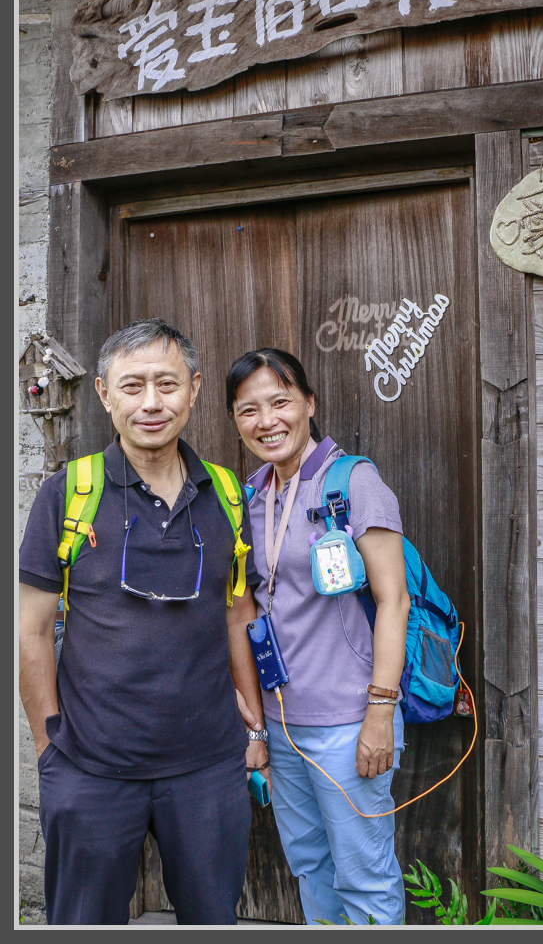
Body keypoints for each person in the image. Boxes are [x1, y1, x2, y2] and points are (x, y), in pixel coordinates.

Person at [18, 319, 269, 926]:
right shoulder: (68, 492)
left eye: (167, 383)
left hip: (208, 768)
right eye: (132, 386)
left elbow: (237, 613)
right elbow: (29, 628)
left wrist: (254, 730)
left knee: (213, 922)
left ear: (196, 389)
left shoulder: (227, 495)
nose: (151, 402)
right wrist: (49, 747)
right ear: (105, 394)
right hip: (91, 768)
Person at [226, 348, 410, 926]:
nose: (266, 421)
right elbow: (247, 609)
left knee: (364, 874)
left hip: (350, 721)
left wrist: (380, 712)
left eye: (280, 402)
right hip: (283, 725)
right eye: (248, 410)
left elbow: (393, 601)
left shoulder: (354, 480)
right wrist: (255, 728)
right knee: (309, 866)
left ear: (309, 404)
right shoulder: (251, 496)